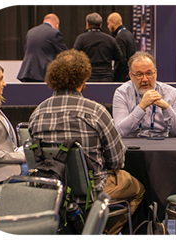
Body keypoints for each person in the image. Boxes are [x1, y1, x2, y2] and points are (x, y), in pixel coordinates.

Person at [28, 49, 145, 235]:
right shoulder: (95, 112)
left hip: (50, 192)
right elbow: (117, 161)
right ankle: (98, 230)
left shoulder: (37, 114)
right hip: (91, 191)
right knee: (138, 189)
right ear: (83, 80)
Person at [113, 51, 176, 138]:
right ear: (131, 76)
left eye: (149, 73)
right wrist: (141, 107)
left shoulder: (172, 93)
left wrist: (166, 107)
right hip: (132, 146)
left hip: (162, 144)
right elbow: (119, 131)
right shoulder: (122, 93)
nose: (145, 79)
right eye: (139, 74)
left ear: (155, 73)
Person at [17, 13, 68, 82]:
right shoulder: (54, 33)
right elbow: (65, 53)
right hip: (43, 74)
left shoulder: (30, 32)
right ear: (56, 23)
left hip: (27, 72)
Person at [74, 12, 122, 82]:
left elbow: (74, 57)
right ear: (100, 25)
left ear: (87, 25)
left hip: (88, 77)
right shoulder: (110, 39)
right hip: (107, 77)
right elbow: (119, 57)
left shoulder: (81, 39)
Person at [107, 12, 136, 82]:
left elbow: (121, 60)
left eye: (108, 23)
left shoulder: (120, 38)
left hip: (123, 78)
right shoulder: (129, 34)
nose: (108, 26)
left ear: (114, 23)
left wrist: (116, 76)